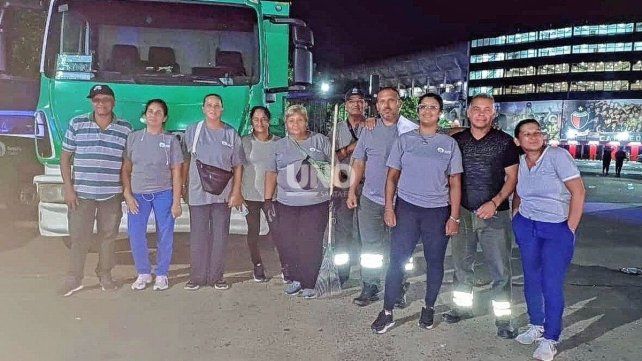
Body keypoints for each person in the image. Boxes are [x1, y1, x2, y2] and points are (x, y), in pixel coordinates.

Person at [371, 93, 463, 333]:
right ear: (418, 110)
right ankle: (388, 310)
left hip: (437, 212)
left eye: (433, 107)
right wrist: (390, 208)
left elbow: (455, 182)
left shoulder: (449, 144)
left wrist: (454, 217)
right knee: (397, 262)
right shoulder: (405, 141)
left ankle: (429, 307)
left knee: (435, 262)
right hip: (407, 210)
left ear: (439, 113)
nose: (427, 111)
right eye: (423, 107)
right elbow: (392, 177)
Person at [444, 93, 520, 339]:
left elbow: (513, 178)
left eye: (487, 109)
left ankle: (504, 319)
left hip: (495, 215)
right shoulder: (457, 141)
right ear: (467, 112)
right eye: (476, 108)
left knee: (500, 269)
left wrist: (495, 202)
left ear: (494, 113)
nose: (481, 113)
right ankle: (461, 307)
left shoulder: (505, 142)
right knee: (462, 264)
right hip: (463, 212)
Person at [511, 119, 585, 361]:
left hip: (556, 228)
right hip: (527, 225)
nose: (533, 137)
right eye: (526, 134)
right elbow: (519, 192)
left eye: (537, 132)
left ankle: (551, 338)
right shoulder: (520, 161)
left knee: (551, 283)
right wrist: (516, 217)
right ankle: (536, 325)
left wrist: (570, 228)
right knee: (531, 279)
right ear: (517, 140)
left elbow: (578, 192)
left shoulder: (557, 156)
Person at [58, 84, 133, 296]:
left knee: (108, 237)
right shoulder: (77, 123)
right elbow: (65, 158)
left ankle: (105, 275)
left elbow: (127, 164)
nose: (101, 104)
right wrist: (68, 188)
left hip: (112, 194)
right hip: (81, 194)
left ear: (113, 102)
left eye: (105, 100)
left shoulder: (125, 128)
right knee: (79, 237)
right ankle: (74, 278)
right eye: (97, 100)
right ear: (92, 102)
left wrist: (126, 191)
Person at [347, 87, 418, 307]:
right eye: (382, 102)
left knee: (401, 247)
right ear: (376, 106)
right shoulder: (370, 129)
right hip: (370, 198)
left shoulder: (412, 131)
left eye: (391, 101)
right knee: (370, 247)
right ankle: (370, 285)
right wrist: (351, 190)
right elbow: (359, 161)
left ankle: (398, 287)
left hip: (402, 200)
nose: (386, 105)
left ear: (400, 104)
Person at [264, 105, 332, 299]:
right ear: (286, 124)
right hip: (287, 203)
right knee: (289, 243)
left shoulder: (320, 141)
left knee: (310, 242)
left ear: (306, 121)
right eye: (291, 121)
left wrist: (335, 190)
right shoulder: (278, 146)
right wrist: (268, 199)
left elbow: (332, 167)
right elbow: (271, 173)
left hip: (316, 203)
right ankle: (296, 279)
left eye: (299, 120)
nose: (295, 124)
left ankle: (310, 282)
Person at [181, 94, 245, 290]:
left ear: (222, 109)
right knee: (198, 236)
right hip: (197, 193)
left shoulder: (230, 133)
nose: (213, 108)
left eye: (217, 105)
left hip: (223, 194)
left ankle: (217, 277)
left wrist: (236, 192)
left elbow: (238, 166)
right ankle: (197, 277)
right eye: (209, 105)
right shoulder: (193, 131)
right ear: (203, 108)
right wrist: (182, 186)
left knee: (220, 236)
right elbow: (184, 162)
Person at [122, 99, 183, 291]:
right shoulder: (133, 138)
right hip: (138, 194)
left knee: (165, 234)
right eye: (150, 111)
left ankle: (162, 273)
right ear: (145, 115)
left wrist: (176, 201)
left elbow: (176, 172)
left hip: (163, 193)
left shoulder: (171, 141)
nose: (153, 115)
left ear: (164, 117)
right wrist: (128, 193)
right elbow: (126, 168)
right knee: (135, 233)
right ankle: (143, 272)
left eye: (158, 112)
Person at [241, 106, 280, 282]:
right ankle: (257, 265)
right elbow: (238, 168)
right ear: (251, 121)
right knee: (253, 232)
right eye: (256, 119)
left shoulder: (279, 142)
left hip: (274, 195)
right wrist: (237, 192)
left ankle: (285, 265)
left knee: (279, 232)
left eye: (263, 119)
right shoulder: (244, 142)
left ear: (269, 120)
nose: (260, 123)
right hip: (250, 194)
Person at [331, 87, 366, 285]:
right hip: (343, 185)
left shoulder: (372, 126)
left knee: (365, 232)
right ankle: (341, 272)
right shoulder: (337, 129)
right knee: (343, 231)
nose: (356, 104)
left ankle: (367, 275)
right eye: (352, 101)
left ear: (365, 105)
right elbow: (331, 158)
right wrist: (349, 149)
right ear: (346, 106)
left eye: (360, 101)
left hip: (366, 185)